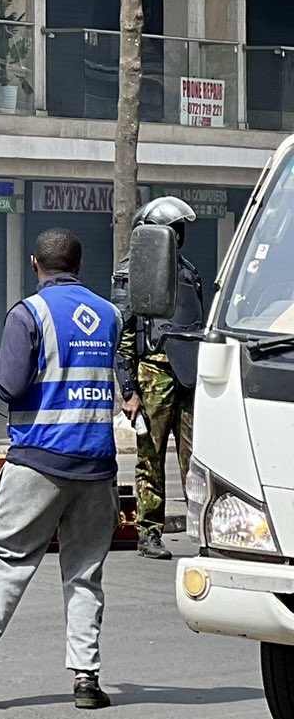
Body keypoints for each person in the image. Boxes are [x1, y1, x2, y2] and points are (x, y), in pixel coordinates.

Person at [0, 228, 122, 711]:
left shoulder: (28, 314)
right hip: (97, 465)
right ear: (78, 264)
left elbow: (9, 386)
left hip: (39, 460)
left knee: (6, 558)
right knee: (84, 574)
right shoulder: (110, 314)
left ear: (36, 264)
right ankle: (87, 679)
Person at [116, 196, 204, 561]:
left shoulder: (188, 271)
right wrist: (129, 390)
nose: (178, 237)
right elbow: (123, 335)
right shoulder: (131, 271)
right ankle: (148, 533)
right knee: (149, 458)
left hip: (188, 375)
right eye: (173, 230)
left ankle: (206, 532)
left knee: (198, 460)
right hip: (152, 372)